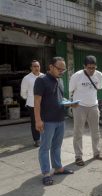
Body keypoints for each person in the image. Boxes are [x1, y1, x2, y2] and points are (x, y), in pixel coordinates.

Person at [34, 57, 74, 186]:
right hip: (47, 121)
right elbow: (37, 102)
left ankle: (58, 168)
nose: (61, 71)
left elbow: (60, 98)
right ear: (51, 67)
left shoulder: (60, 80)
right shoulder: (41, 80)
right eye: (59, 68)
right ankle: (46, 173)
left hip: (60, 119)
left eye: (63, 69)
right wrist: (38, 120)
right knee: (45, 147)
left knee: (57, 146)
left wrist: (69, 103)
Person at [69, 55, 102, 166]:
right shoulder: (77, 76)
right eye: (89, 67)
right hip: (79, 106)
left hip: (93, 106)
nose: (91, 70)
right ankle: (78, 156)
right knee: (78, 131)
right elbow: (71, 90)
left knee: (96, 131)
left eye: (93, 68)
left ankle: (97, 153)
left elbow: (99, 88)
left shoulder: (99, 75)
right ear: (84, 66)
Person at [21, 60, 44, 147]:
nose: (36, 68)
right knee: (35, 122)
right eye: (34, 66)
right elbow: (23, 93)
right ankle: (37, 140)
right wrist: (29, 99)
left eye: (38, 66)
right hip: (32, 104)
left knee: (45, 121)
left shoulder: (43, 76)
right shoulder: (27, 78)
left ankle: (44, 138)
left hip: (44, 104)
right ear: (31, 68)